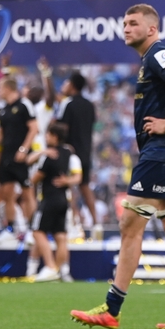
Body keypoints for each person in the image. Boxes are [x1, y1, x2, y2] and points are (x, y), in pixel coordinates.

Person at [71, 3, 165, 329]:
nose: (126, 28)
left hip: (163, 151)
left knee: (130, 225)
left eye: (133, 23)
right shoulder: (150, 59)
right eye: (124, 23)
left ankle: (112, 309)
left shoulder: (158, 53)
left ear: (152, 29)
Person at [26, 122, 82, 282]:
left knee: (37, 231)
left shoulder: (50, 156)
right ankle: (58, 269)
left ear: (54, 136)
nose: (46, 137)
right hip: (64, 199)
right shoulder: (68, 153)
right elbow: (77, 176)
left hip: (49, 198)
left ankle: (50, 266)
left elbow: (35, 177)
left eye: (48, 134)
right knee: (61, 236)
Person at [0, 77, 38, 242]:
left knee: (27, 193)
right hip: (6, 156)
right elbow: (1, 133)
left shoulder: (24, 105)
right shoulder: (4, 110)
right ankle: (10, 228)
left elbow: (33, 128)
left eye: (0, 88)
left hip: (21, 157)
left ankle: (33, 229)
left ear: (8, 88)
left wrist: (24, 149)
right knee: (7, 193)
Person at [56, 71, 99, 237]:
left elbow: (62, 128)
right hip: (86, 152)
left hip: (71, 153)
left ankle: (74, 224)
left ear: (72, 85)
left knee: (69, 187)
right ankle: (96, 224)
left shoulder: (68, 103)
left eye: (66, 83)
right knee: (85, 187)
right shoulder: (89, 105)